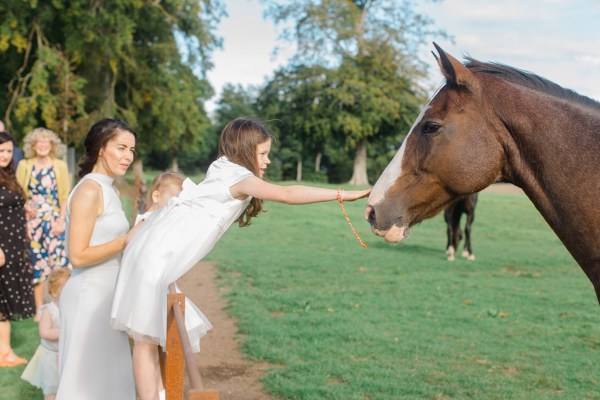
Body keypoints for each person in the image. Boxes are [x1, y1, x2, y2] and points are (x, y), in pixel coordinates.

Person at [111, 117, 371, 400]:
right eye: (263, 153)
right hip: (157, 254)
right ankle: (154, 396)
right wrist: (342, 194)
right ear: (246, 152)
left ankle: (157, 393)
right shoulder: (239, 177)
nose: (268, 160)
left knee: (146, 339)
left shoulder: (222, 166)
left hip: (154, 245)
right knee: (146, 340)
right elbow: (286, 193)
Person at [56, 118, 139, 399]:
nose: (128, 156)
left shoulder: (110, 190)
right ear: (101, 148)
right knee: (85, 387)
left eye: (131, 150)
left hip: (107, 299)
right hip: (87, 299)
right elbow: (77, 256)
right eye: (121, 147)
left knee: (109, 384)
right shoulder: (90, 189)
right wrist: (127, 239)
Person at [16, 128, 71, 321]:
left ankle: (63, 306)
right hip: (33, 222)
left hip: (54, 221)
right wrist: (25, 208)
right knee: (37, 265)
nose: (42, 145)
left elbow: (64, 195)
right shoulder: (25, 165)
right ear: (33, 145)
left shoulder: (60, 166)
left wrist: (61, 221)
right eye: (38, 142)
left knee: (59, 265)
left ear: (52, 145)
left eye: (46, 141)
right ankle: (40, 309)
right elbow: (19, 193)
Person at [0, 130, 35, 367]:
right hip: (2, 247)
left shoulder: (8, 173)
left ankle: (3, 352)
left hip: (14, 246)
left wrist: (24, 212)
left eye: (9, 151)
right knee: (2, 302)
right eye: (1, 150)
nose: (5, 155)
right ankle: (5, 353)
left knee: (5, 301)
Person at [21, 268, 71, 399]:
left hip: (66, 354)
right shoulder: (49, 310)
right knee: (51, 390)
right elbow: (44, 332)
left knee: (67, 387)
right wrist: (63, 332)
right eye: (67, 287)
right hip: (51, 358)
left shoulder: (71, 309)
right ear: (54, 292)